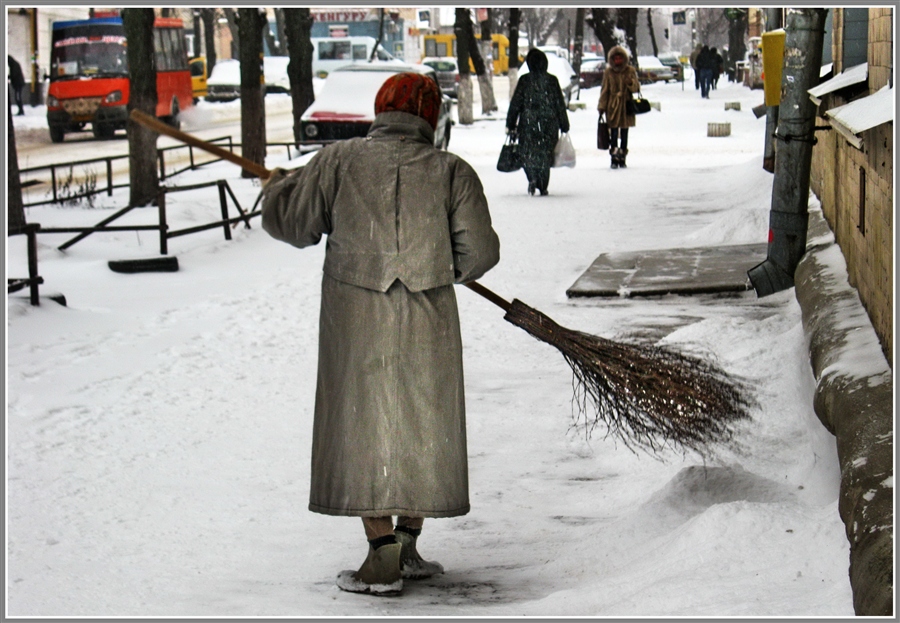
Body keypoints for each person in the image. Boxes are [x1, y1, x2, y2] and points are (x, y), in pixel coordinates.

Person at [260, 72, 501, 597]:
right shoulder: (451, 172)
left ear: (380, 109)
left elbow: (294, 224)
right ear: (430, 117)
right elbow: (478, 254)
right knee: (423, 421)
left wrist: (278, 188)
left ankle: (382, 550)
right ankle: (408, 542)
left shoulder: (338, 161)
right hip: (427, 318)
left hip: (355, 320)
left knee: (360, 423)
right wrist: (439, 264)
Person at [505, 48, 570, 196]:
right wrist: (564, 124)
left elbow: (516, 104)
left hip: (528, 124)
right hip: (549, 124)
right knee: (545, 155)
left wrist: (511, 123)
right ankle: (543, 184)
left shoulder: (524, 81)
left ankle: (532, 178)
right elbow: (559, 103)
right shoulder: (552, 81)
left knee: (528, 154)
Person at [597, 45, 640, 169]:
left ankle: (623, 157)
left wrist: (630, 83)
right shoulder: (608, 72)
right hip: (613, 106)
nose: (618, 61)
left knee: (625, 132)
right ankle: (614, 158)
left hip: (626, 106)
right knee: (614, 132)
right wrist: (602, 106)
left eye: (620, 58)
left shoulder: (630, 70)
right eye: (615, 59)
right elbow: (604, 91)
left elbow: (636, 88)